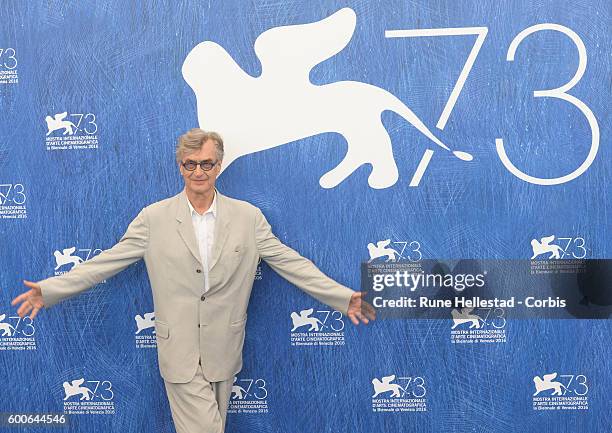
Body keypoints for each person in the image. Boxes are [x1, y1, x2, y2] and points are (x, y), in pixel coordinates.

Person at [11, 128, 376, 433]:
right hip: (180, 353)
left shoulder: (249, 218)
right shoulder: (153, 218)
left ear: (218, 166)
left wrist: (341, 298)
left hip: (225, 350)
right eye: (190, 164)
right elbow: (108, 261)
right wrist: (52, 289)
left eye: (206, 163)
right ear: (180, 167)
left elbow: (290, 262)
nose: (198, 171)